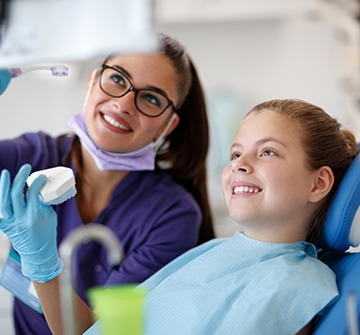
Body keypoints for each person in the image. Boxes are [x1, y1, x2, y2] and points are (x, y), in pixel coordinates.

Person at [1, 98, 358, 335]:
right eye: (235, 154)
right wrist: (43, 265)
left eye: (267, 152)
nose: (240, 165)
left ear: (319, 183)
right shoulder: (215, 252)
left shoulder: (290, 284)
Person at [0, 33, 214, 334]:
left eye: (151, 98)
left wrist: (43, 266)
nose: (124, 103)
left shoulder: (172, 215)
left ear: (167, 125)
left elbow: (100, 332)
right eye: (117, 79)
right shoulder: (33, 156)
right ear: (92, 82)